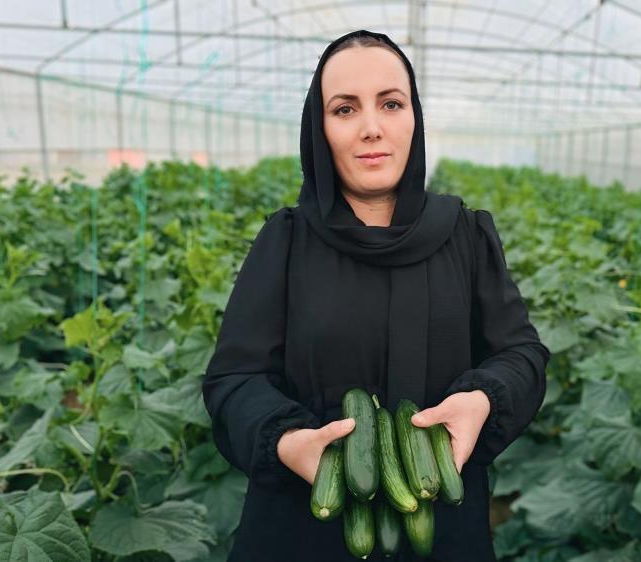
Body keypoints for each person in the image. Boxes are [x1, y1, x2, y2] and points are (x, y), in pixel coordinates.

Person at [202, 29, 551, 562]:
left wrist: (483, 399)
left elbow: (522, 354)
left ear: (414, 118)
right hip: (303, 530)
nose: (371, 127)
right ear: (319, 128)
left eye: (391, 103)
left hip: (441, 526)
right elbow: (233, 380)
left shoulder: (465, 234)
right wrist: (287, 441)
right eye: (344, 109)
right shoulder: (286, 241)